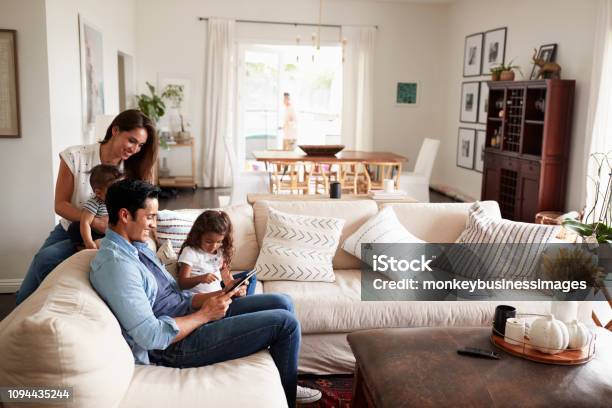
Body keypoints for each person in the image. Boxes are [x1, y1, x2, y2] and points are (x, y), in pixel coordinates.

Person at [89, 179, 321, 406]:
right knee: (285, 323)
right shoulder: (117, 266)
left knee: (282, 301)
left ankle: (284, 381)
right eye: (149, 217)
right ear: (124, 215)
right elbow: (151, 337)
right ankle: (289, 396)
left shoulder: (137, 247)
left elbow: (175, 295)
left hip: (190, 315)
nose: (153, 224)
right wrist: (205, 315)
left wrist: (216, 296)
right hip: (174, 345)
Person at [16, 109, 158, 305]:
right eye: (132, 140)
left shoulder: (135, 168)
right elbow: (60, 205)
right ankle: (23, 312)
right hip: (71, 227)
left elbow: (142, 211)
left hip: (112, 235)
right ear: (115, 130)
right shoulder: (75, 156)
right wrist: (94, 221)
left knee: (48, 259)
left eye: (140, 145)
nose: (135, 149)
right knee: (42, 263)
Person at [177, 210, 257, 296]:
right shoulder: (190, 252)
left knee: (250, 277)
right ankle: (241, 303)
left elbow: (227, 280)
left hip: (220, 295)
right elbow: (182, 283)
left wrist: (235, 288)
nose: (213, 246)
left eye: (219, 241)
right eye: (208, 242)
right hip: (203, 300)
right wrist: (200, 278)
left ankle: (240, 299)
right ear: (198, 236)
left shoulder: (220, 251)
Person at [67, 164, 123, 250]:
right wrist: (88, 242)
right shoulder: (95, 203)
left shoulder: (117, 202)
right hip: (94, 234)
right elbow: (85, 222)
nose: (118, 195)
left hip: (109, 233)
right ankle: (81, 246)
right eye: (113, 192)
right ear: (98, 193)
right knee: (75, 227)